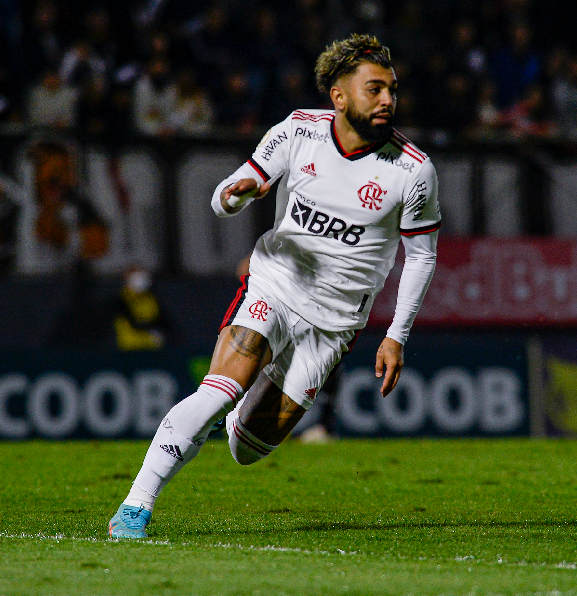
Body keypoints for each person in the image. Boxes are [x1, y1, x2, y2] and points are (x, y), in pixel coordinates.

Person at [109, 34, 440, 538]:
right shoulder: (297, 132)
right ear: (340, 96)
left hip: (335, 324)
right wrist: (233, 195)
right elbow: (228, 193)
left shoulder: (412, 170)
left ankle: (238, 405)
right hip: (274, 285)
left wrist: (397, 334)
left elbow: (421, 255)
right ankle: (136, 507)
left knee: (246, 448)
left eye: (391, 89)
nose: (388, 100)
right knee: (219, 389)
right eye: (374, 89)